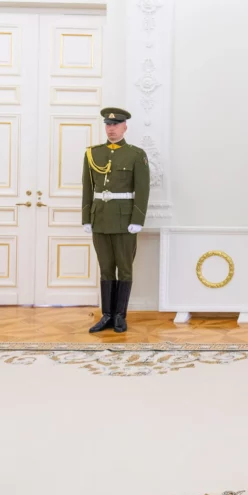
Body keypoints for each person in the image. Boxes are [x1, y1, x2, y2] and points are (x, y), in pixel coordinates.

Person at [82, 107, 150, 334]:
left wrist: (137, 219)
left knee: (125, 268)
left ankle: (120, 315)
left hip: (124, 220)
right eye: (108, 125)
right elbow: (87, 188)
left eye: (116, 124)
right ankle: (107, 316)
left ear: (125, 127)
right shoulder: (92, 153)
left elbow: (142, 189)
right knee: (106, 269)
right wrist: (86, 217)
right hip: (100, 218)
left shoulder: (135, 154)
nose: (111, 128)